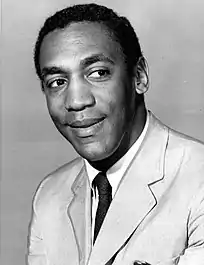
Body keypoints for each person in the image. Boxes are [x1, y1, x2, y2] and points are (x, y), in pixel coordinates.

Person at [27, 3, 204, 265]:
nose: (76, 101)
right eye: (57, 82)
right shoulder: (50, 196)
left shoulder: (198, 177)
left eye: (98, 73)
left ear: (139, 76)